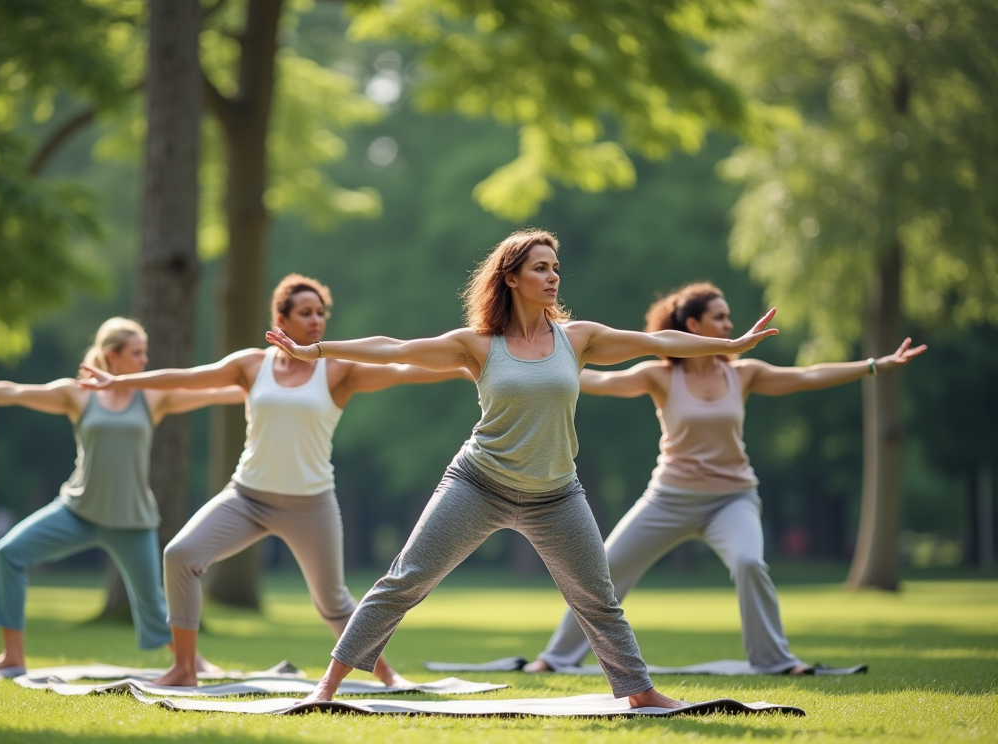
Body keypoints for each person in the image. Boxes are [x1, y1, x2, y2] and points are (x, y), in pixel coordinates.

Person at [265, 231, 780, 707]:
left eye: (556, 268)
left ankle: (640, 693)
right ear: (511, 278)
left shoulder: (579, 339)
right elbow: (395, 349)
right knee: (405, 581)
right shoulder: (478, 345)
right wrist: (316, 350)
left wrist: (728, 347)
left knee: (597, 599)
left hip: (556, 493)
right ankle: (326, 688)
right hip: (478, 483)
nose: (553, 276)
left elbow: (659, 343)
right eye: (540, 268)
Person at [81, 274, 474, 687]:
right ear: (280, 318)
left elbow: (402, 367)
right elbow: (187, 376)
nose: (317, 320)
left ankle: (389, 676)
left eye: (321, 313)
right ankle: (184, 668)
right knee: (180, 555)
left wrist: (464, 364)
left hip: (310, 504)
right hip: (246, 498)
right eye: (306, 313)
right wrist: (121, 381)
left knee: (333, 603)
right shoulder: (251, 365)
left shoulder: (337, 370)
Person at [523, 282, 926, 675]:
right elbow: (599, 381)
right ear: (694, 326)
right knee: (604, 568)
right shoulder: (661, 376)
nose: (730, 325)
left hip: (731, 499)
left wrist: (876, 365)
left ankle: (776, 660)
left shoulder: (743, 374)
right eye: (720, 317)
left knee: (750, 562)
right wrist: (524, 370)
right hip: (669, 498)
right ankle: (557, 657)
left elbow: (807, 375)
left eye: (729, 316)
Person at [0, 318, 244, 674]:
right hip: (77, 511)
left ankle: (193, 661)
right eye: (137, 353)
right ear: (113, 356)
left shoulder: (151, 396)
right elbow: (16, 391)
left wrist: (271, 382)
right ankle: (12, 657)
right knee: (8, 554)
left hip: (131, 520)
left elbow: (215, 393)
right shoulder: (78, 393)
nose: (145, 360)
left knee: (153, 604)